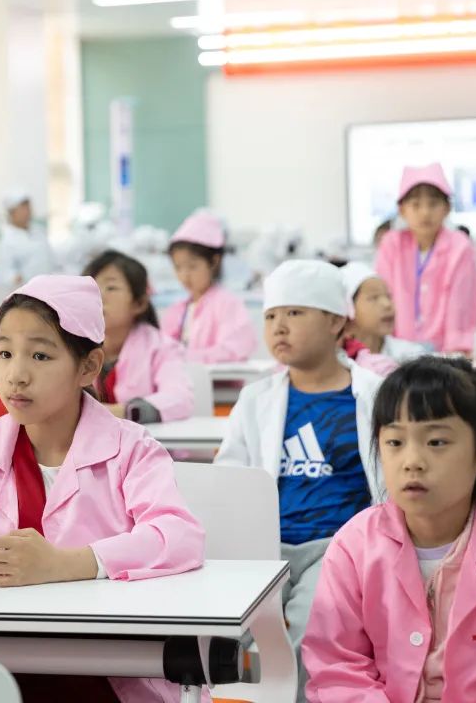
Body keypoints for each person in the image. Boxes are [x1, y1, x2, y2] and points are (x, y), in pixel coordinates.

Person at [0, 274, 204, 702]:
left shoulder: (132, 450)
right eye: (5, 353)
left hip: (106, 671)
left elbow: (178, 536)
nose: (16, 375)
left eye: (39, 355)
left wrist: (66, 564)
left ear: (88, 366)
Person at [303, 357, 476, 701]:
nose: (412, 461)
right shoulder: (353, 547)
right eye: (395, 442)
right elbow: (337, 670)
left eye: (436, 442)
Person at [214, 259, 385, 703]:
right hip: (266, 547)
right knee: (221, 628)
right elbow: (230, 480)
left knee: (311, 627)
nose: (279, 326)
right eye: (271, 316)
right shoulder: (256, 400)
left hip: (337, 546)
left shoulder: (373, 395)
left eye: (294, 312)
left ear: (336, 322)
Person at [375, 163, 476, 355]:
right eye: (415, 204)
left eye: (433, 204)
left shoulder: (460, 247)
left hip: (445, 354)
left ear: (447, 208)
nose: (425, 212)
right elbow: (383, 297)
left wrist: (455, 352)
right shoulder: (391, 245)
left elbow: (460, 305)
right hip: (396, 351)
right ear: (402, 210)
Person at [83, 250, 193, 423]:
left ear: (139, 303)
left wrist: (123, 412)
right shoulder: (73, 346)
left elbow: (179, 399)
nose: (98, 296)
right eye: (91, 289)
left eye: (111, 288)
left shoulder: (162, 347)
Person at [161, 209, 257, 363]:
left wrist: (186, 357)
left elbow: (234, 350)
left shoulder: (227, 305)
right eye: (178, 267)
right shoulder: (178, 310)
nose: (185, 276)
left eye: (192, 266)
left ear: (214, 261)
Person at [340, 262, 425, 364]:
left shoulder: (411, 356)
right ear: (348, 309)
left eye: (389, 296)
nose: (387, 304)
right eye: (374, 298)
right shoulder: (337, 361)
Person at [0, 190, 55, 286]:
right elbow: (5, 274)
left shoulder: (39, 231)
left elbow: (50, 258)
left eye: (28, 207)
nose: (28, 211)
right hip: (27, 291)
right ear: (12, 212)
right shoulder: (6, 241)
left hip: (49, 286)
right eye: (23, 208)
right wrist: (16, 278)